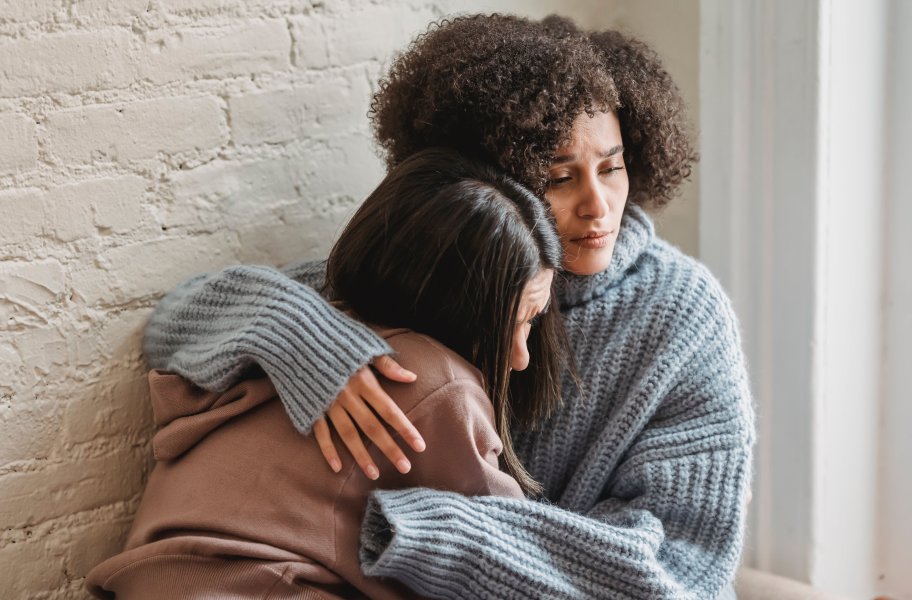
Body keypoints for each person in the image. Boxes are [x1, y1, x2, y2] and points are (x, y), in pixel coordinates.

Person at [142, 13, 755, 600]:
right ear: (490, 180)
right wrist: (305, 340)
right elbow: (174, 324)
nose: (599, 206)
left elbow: (682, 568)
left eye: (612, 168)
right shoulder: (447, 265)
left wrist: (443, 532)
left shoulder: (683, 316)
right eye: (559, 177)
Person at [85, 149, 569, 599]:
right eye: (518, 321)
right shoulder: (435, 381)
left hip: (155, 573)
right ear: (457, 305)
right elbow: (507, 558)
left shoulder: (328, 307)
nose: (522, 357)